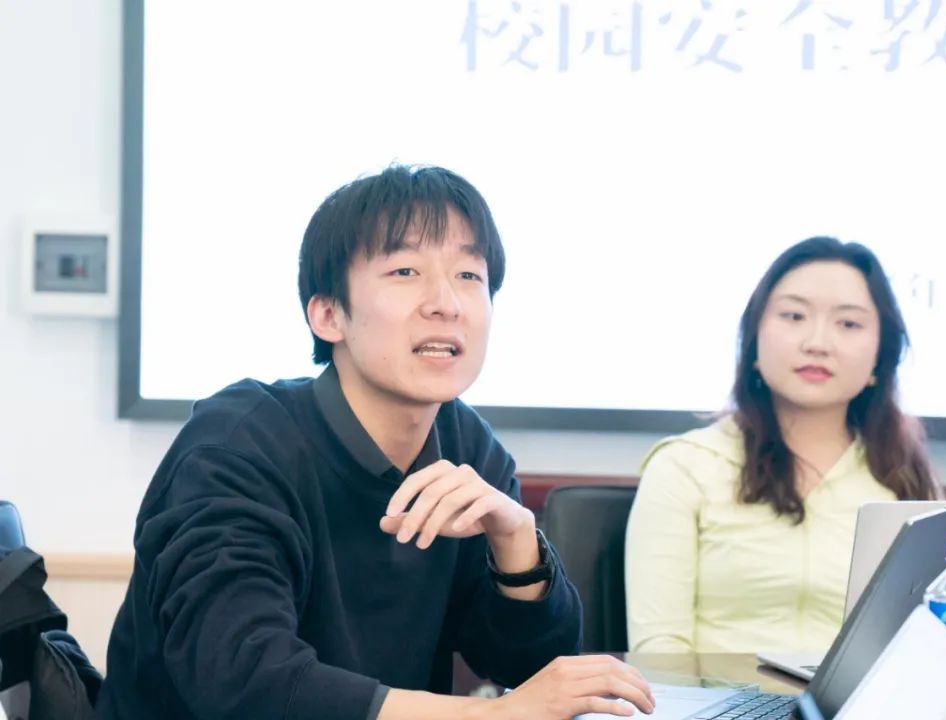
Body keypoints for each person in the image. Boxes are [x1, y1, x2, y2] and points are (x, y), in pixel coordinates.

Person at [97, 165, 654, 719]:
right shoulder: (236, 446)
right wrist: (489, 716)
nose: (447, 303)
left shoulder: (466, 446)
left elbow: (532, 671)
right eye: (405, 270)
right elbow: (243, 680)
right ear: (328, 315)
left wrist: (515, 542)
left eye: (469, 275)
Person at [625, 236, 942, 655]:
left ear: (880, 359)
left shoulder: (906, 479)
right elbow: (659, 648)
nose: (818, 342)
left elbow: (930, 643)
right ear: (753, 340)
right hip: (715, 696)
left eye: (848, 324)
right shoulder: (684, 467)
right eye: (794, 316)